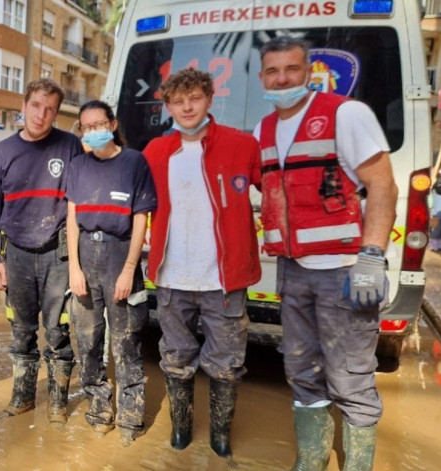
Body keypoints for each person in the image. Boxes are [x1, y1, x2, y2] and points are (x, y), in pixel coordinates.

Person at [256, 36, 398, 471]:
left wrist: (372, 257)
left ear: (308, 71)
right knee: (301, 369)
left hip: (343, 271)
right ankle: (312, 460)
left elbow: (382, 185)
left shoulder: (344, 113)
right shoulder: (264, 128)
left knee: (351, 377)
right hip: (293, 270)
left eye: (291, 70)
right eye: (273, 71)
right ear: (263, 77)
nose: (282, 79)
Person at [142, 68, 262, 457]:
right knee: (175, 359)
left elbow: (276, 191)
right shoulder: (156, 152)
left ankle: (220, 436)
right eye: (179, 101)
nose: (187, 106)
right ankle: (181, 429)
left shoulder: (242, 145)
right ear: (169, 107)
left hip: (224, 280)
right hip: (172, 277)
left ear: (210, 99)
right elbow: (134, 207)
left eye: (194, 98)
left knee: (227, 364)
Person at [0, 78, 84, 424]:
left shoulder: (70, 145)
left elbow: (81, 200)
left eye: (51, 109)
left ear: (56, 113)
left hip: (58, 253)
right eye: (37, 106)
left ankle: (57, 404)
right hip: (16, 254)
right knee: (21, 331)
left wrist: (79, 262)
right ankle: (22, 399)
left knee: (58, 329)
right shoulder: (1, 151)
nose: (42, 115)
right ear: (24, 105)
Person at [66, 100, 156, 444]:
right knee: (88, 342)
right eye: (85, 127)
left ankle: (131, 420)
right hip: (86, 255)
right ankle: (99, 408)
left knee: (127, 342)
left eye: (98, 124)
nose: (92, 132)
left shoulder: (134, 162)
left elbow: (140, 219)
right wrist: (75, 268)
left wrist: (129, 269)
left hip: (121, 256)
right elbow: (72, 220)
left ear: (113, 124)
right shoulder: (77, 166)